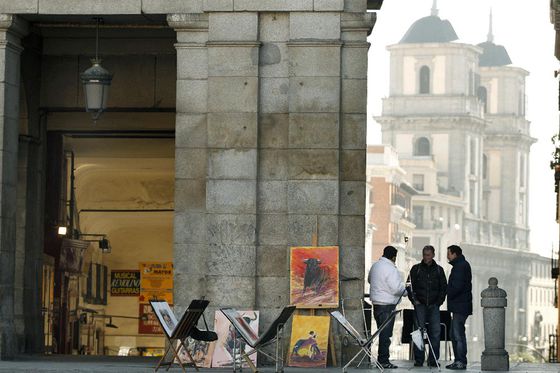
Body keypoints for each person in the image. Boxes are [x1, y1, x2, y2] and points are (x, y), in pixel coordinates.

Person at [408, 245, 447, 368]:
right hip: (420, 305)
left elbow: (443, 288)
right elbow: (409, 286)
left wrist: (438, 302)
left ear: (433, 255)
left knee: (435, 333)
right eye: (424, 254)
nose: (426, 257)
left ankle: (433, 360)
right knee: (418, 333)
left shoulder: (439, 270)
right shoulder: (416, 269)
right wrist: (414, 300)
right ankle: (419, 360)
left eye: (428, 255)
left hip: (434, 306)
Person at [368, 245, 406, 369]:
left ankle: (382, 359)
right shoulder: (391, 269)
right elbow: (396, 288)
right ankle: (383, 361)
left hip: (376, 304)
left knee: (381, 332)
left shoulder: (375, 266)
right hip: (387, 305)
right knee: (386, 335)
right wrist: (405, 290)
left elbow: (369, 280)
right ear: (394, 257)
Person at [445, 245, 472, 370]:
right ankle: (458, 360)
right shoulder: (460, 265)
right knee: (454, 333)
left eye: (449, 254)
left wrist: (446, 291)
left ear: (455, 254)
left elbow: (456, 287)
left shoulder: (460, 267)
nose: (447, 256)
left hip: (460, 306)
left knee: (457, 334)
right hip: (460, 305)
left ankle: (460, 361)